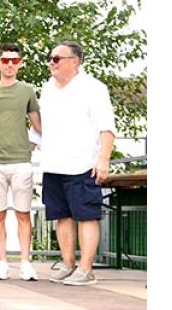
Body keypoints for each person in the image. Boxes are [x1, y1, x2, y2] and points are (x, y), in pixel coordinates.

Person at [39, 41, 115, 286]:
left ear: (75, 61)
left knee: (86, 216)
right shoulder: (47, 88)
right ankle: (68, 264)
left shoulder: (93, 88)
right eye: (50, 58)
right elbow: (41, 127)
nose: (51, 63)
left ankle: (86, 269)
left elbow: (107, 127)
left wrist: (103, 159)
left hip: (83, 164)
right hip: (53, 164)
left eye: (56, 58)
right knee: (61, 216)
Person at [0, 43, 43, 281]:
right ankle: (2, 262)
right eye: (5, 60)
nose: (9, 65)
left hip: (21, 163)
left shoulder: (27, 91)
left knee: (23, 214)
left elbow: (39, 125)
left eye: (14, 61)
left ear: (20, 64)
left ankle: (26, 263)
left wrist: (32, 144)